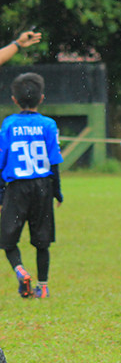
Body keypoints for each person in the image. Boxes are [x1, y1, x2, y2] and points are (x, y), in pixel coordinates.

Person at [0, 72, 63, 298]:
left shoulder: (9, 124)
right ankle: (43, 287)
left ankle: (20, 271)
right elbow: (54, 162)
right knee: (42, 241)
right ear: (42, 98)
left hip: (16, 188)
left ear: (14, 99)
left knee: (7, 241)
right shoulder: (48, 124)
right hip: (43, 187)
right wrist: (57, 193)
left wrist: (0, 197)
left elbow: (2, 161)